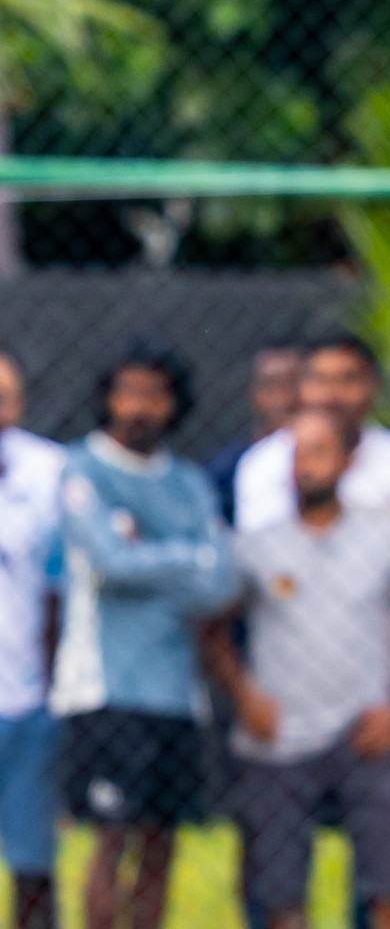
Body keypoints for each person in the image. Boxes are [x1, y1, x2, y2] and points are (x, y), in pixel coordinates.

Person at [208, 409, 390, 929]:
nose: (305, 466)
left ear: (348, 462)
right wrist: (245, 697)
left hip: (364, 737)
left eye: (318, 452)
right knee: (283, 903)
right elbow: (213, 633)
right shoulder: (256, 545)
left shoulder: (387, 539)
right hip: (280, 742)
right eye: (296, 455)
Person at [51, 341, 237, 929]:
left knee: (161, 845)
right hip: (106, 690)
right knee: (111, 842)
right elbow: (111, 563)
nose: (139, 407)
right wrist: (187, 557)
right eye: (127, 393)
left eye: (153, 395)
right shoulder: (83, 469)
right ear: (107, 399)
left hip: (177, 695)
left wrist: (149, 554)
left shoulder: (189, 483)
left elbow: (223, 582)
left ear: (174, 403)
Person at [234, 332, 390, 551]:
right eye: (320, 380)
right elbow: (263, 551)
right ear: (300, 387)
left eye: (347, 379)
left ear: (373, 385)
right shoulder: (263, 462)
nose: (331, 395)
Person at [0, 348, 64, 929]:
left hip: (25, 700)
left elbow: (60, 591)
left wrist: (52, 688)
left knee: (33, 864)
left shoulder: (50, 471)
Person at [205, 346, 302, 523]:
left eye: (292, 384)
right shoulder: (226, 468)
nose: (283, 398)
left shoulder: (328, 461)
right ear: (254, 394)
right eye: (270, 385)